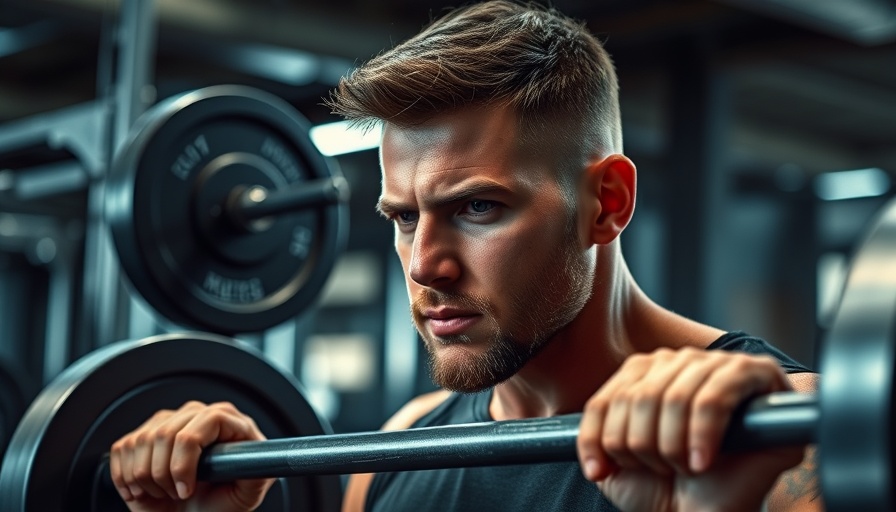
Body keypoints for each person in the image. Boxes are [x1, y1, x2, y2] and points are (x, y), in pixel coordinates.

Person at [109, 1, 821, 511]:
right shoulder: (399, 448)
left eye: (477, 208)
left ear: (607, 203)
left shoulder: (789, 438)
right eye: (403, 218)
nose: (423, 264)